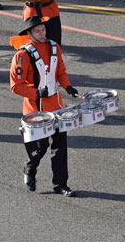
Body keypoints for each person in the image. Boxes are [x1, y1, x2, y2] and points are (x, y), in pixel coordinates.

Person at [10, 16, 80, 196]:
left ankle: (61, 184)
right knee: (40, 147)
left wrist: (68, 86)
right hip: (36, 110)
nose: (42, 34)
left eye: (43, 29)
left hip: (56, 106)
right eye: (37, 31)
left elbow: (61, 72)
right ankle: (29, 168)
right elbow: (15, 86)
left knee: (60, 146)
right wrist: (35, 93)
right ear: (29, 33)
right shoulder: (22, 55)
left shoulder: (54, 47)